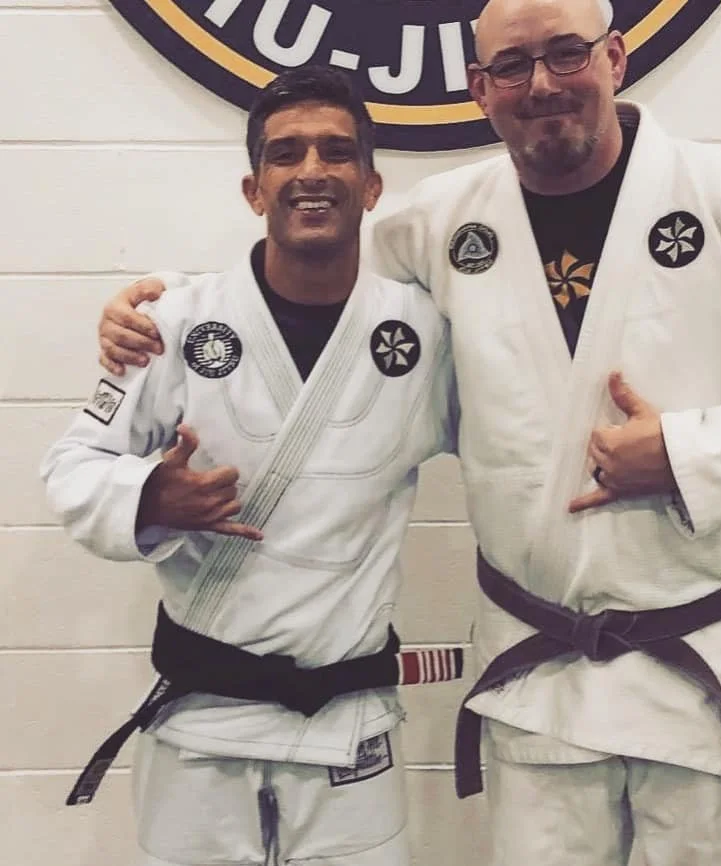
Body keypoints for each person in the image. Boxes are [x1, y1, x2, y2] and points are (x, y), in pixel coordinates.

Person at [94, 0, 721, 862]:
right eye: (512, 65)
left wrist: (690, 457)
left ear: (615, 58)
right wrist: (166, 307)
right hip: (540, 679)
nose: (541, 84)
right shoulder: (439, 223)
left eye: (566, 53)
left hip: (707, 664)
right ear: (479, 87)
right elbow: (306, 265)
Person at [41, 66, 463, 866]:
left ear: (372, 186)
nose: (312, 170)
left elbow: (513, 446)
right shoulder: (174, 322)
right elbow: (71, 466)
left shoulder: (426, 333)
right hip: (201, 726)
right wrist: (148, 497)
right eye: (286, 153)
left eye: (337, 152)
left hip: (348, 727)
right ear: (254, 188)